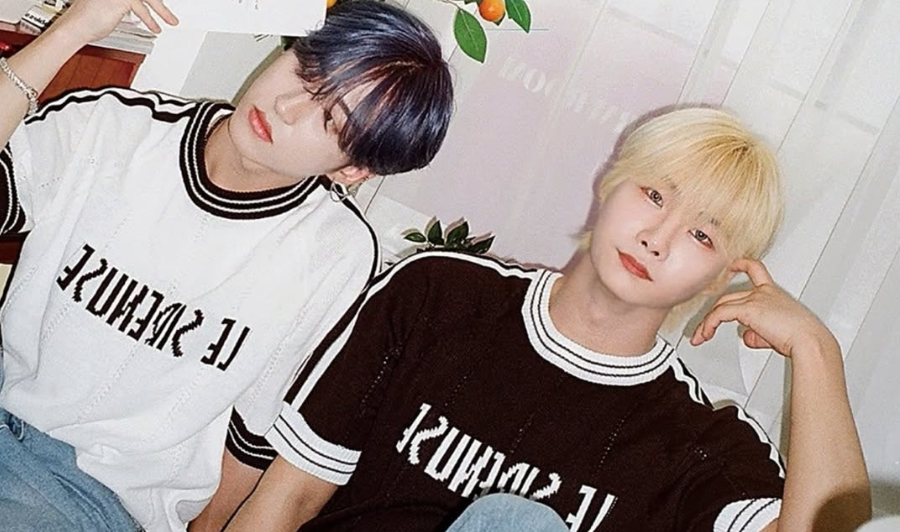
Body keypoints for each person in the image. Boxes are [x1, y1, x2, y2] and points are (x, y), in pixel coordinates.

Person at [221, 108, 871, 532]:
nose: (658, 238)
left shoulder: (699, 445)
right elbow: (287, 499)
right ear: (609, 183)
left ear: (720, 277)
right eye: (653, 195)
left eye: (702, 235)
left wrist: (817, 350)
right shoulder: (438, 296)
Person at [0, 0, 453, 531]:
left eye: (330, 118)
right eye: (307, 70)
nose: (287, 106)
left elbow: (252, 438)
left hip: (90, 496)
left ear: (352, 169)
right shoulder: (114, 128)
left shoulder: (333, 256)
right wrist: (70, 30)